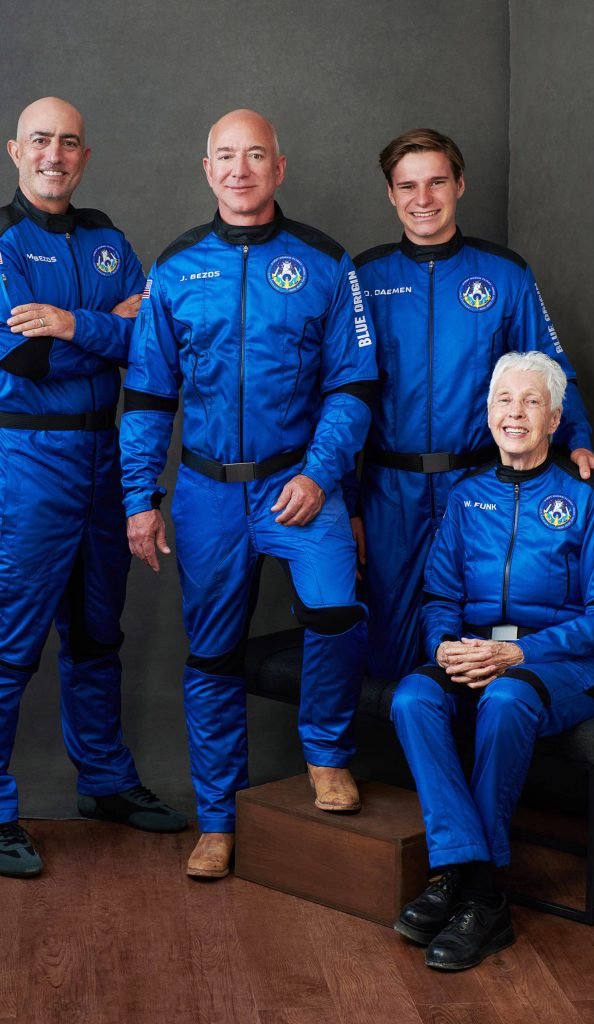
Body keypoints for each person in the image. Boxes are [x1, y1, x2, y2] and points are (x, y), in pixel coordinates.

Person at [120, 109, 378, 879]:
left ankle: (327, 754)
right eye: (225, 157)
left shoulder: (325, 264)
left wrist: (318, 473)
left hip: (298, 483)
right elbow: (145, 396)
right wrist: (141, 497)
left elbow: (354, 385)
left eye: (254, 155)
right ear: (207, 170)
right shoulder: (174, 269)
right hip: (205, 494)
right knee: (212, 656)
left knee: (335, 612)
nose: (239, 169)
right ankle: (218, 819)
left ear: (279, 167)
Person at [0, 96, 187, 878]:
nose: (55, 154)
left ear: (86, 155)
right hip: (27, 464)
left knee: (96, 636)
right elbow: (27, 361)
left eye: (70, 142)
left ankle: (106, 782)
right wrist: (104, 329)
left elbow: (153, 346)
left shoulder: (110, 240)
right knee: (7, 644)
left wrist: (72, 321)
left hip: (106, 460)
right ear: (14, 149)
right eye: (41, 141)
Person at [349, 128, 594, 681]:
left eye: (437, 182)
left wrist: (581, 442)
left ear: (460, 184)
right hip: (387, 493)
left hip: (477, 482)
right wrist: (349, 503)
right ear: (391, 195)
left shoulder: (503, 273)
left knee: (476, 633)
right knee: (393, 641)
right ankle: (408, 766)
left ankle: (483, 762)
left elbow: (552, 372)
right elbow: (342, 394)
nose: (423, 199)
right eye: (408, 186)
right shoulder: (365, 277)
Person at [391, 351, 594, 970]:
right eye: (504, 401)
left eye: (531, 402)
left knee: (505, 696)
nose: (515, 413)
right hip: (478, 654)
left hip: (563, 666)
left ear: (554, 419)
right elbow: (440, 596)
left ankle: (477, 891)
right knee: (413, 697)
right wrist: (444, 646)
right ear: (489, 413)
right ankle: (467, 873)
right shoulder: (466, 498)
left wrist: (518, 651)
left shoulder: (586, 498)